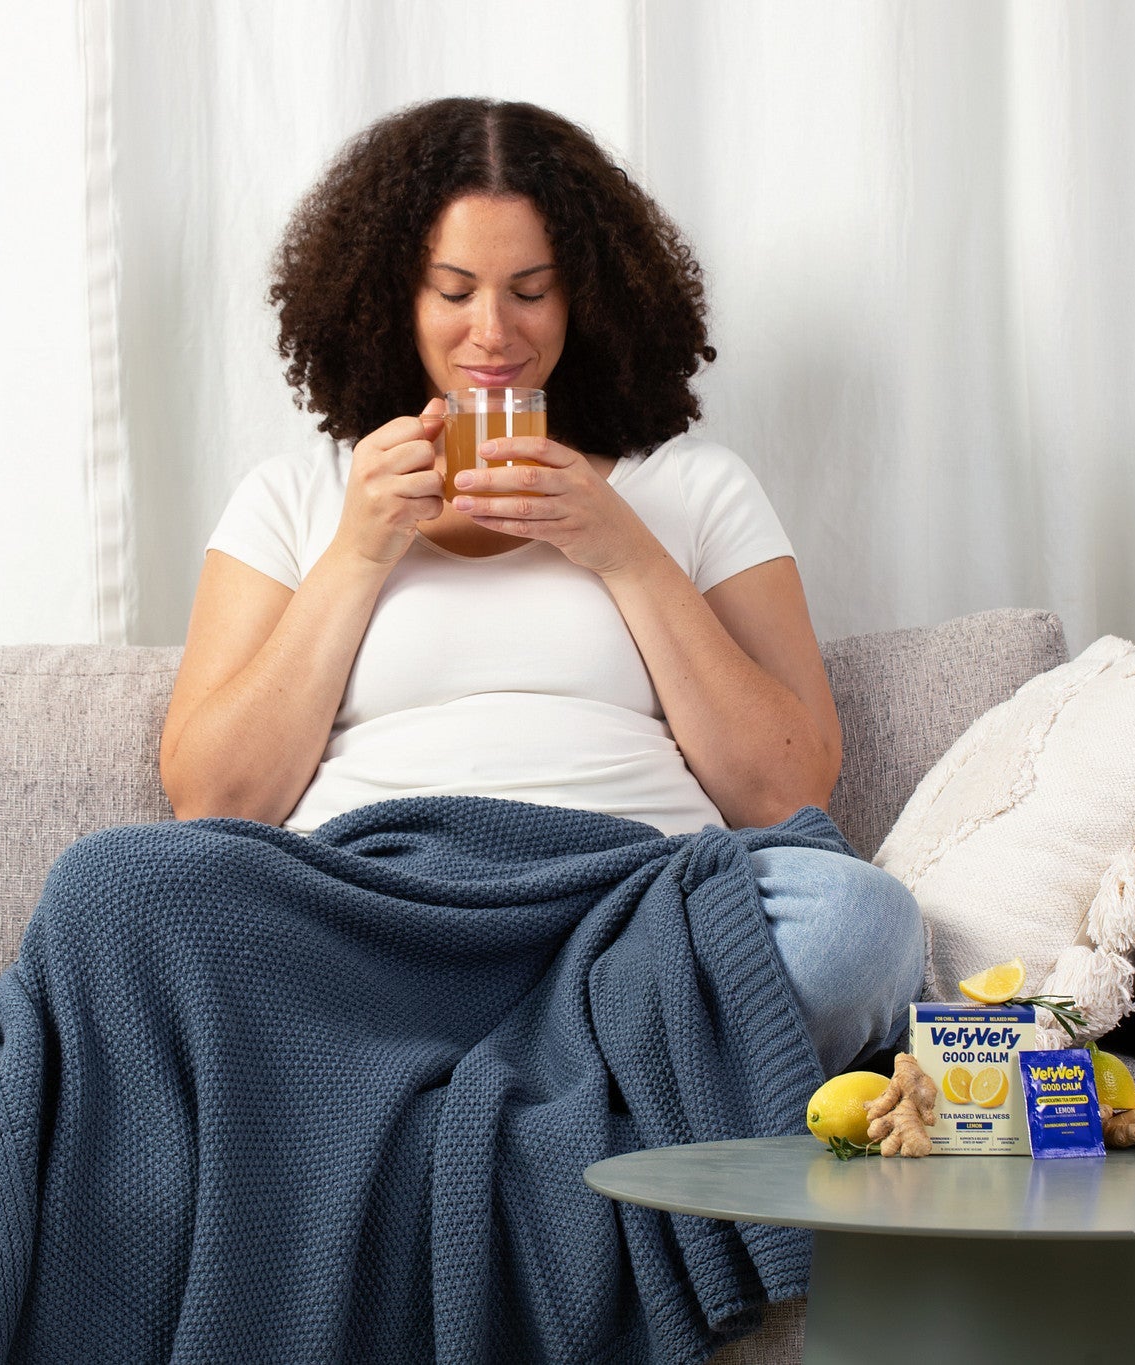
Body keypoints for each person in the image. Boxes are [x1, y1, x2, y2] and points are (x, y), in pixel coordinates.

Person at [159, 96, 921, 1074]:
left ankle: (438, 1074)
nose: (491, 332)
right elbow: (213, 798)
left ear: (586, 300)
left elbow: (785, 792)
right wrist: (357, 551)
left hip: (639, 920)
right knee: (115, 887)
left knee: (861, 923)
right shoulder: (297, 498)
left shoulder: (690, 489)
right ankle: (604, 1078)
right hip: (373, 915)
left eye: (529, 290)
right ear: (393, 296)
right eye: (452, 289)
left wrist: (623, 552)